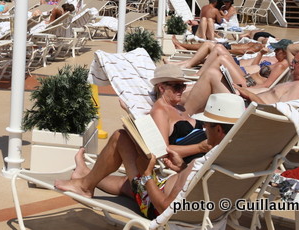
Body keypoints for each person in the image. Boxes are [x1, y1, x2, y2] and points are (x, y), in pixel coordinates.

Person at [54, 93, 245, 219]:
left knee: (121, 138)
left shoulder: (206, 161)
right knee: (128, 185)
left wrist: (146, 175)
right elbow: (195, 183)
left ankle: (85, 185)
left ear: (218, 129)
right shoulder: (238, 156)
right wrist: (181, 168)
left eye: (206, 125)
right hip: (201, 208)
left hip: (156, 206)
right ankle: (86, 174)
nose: (203, 128)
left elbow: (164, 208)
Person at [181, 48, 299, 113]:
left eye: (296, 62)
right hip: (247, 104)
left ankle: (184, 119)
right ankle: (183, 112)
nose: (291, 64)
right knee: (192, 93)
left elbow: (279, 114)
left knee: (211, 74)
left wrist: (249, 95)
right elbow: (290, 48)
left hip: (246, 110)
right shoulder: (298, 83)